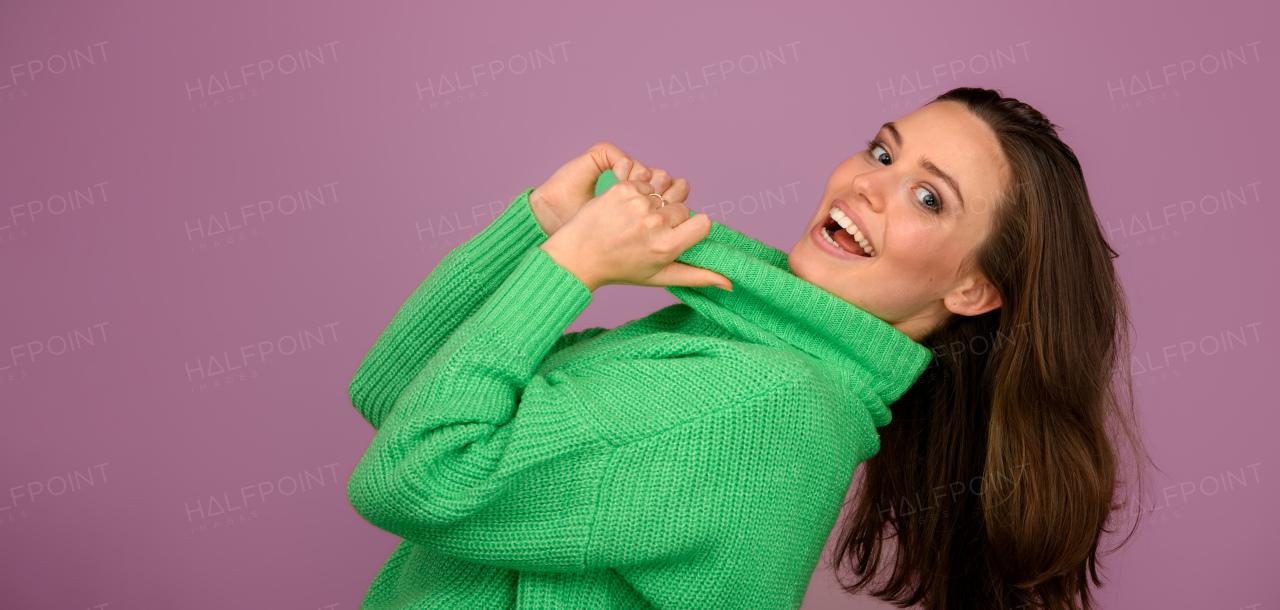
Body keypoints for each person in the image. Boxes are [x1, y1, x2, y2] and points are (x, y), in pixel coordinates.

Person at [345, 86, 1153, 610]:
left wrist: (574, 266)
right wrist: (544, 230)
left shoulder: (765, 400)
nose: (866, 185)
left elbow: (413, 476)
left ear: (971, 291)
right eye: (882, 151)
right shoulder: (727, 345)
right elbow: (395, 394)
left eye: (928, 197)